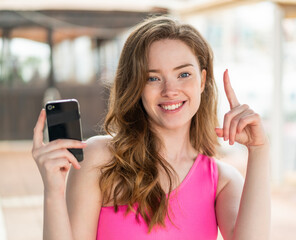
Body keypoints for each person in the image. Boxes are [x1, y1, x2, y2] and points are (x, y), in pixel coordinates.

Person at [32, 16, 270, 240]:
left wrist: (259, 150)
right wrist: (53, 192)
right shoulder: (99, 160)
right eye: (153, 78)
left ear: (203, 80)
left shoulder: (222, 181)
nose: (170, 90)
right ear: (136, 86)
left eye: (184, 74)